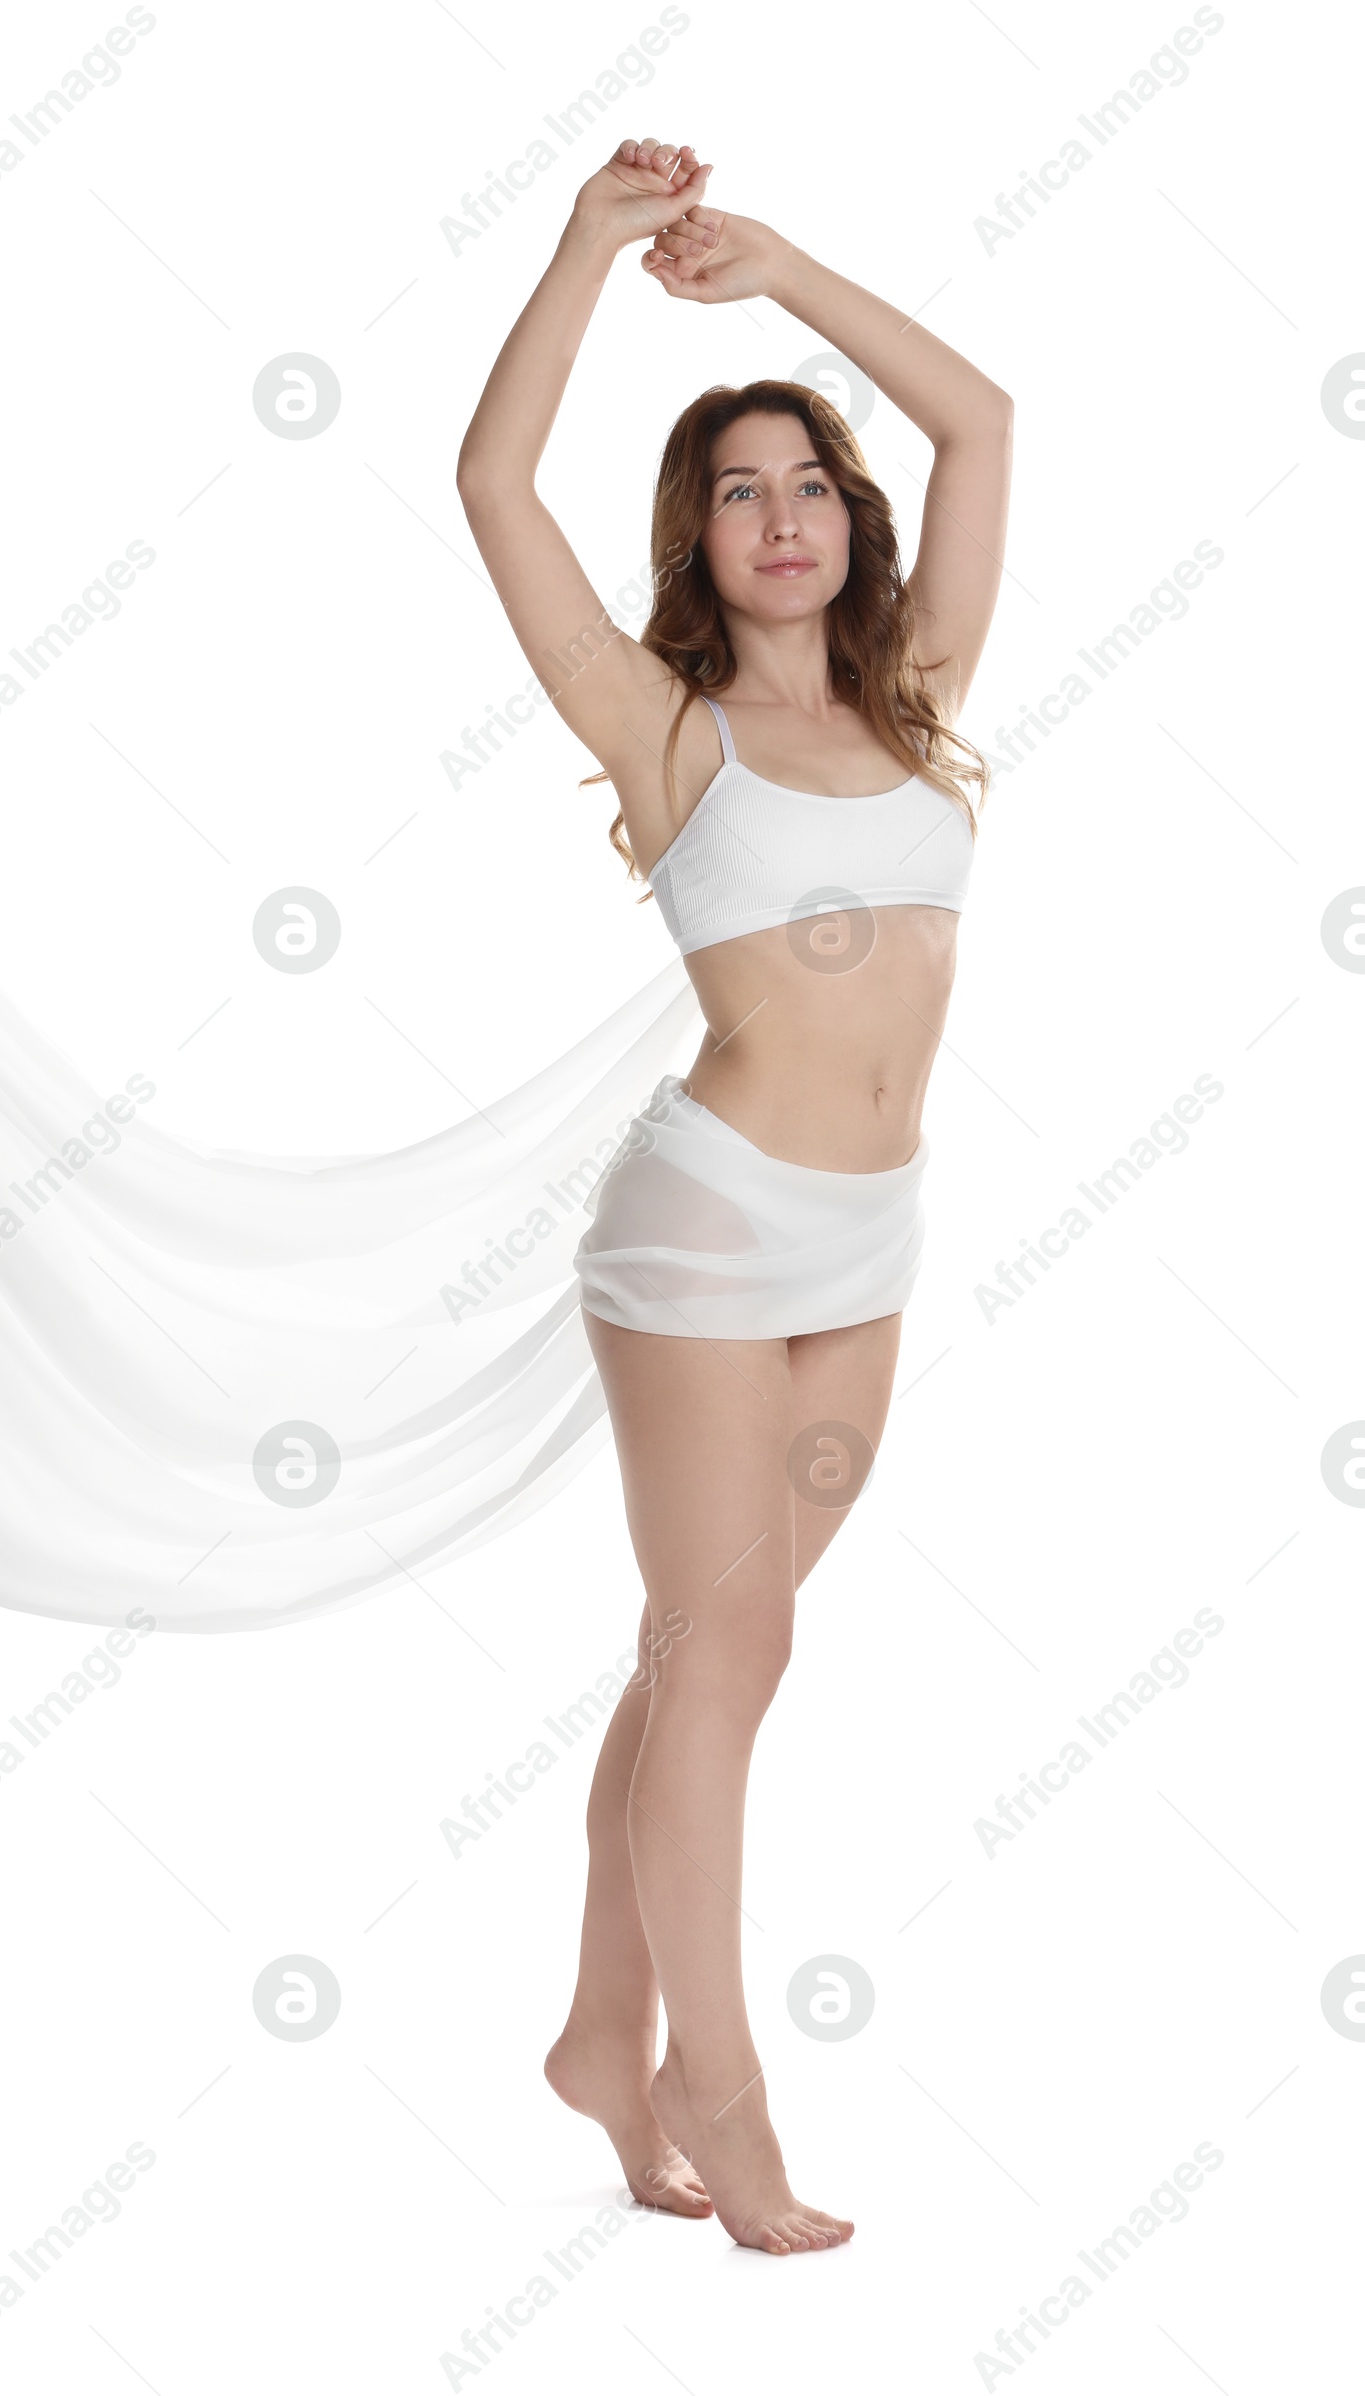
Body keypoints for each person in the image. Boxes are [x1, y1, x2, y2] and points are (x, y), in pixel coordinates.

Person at [457, 135, 1011, 2258]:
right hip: (700, 1235)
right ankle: (717, 2083)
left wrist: (785, 273)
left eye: (804, 484)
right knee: (725, 1650)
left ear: (843, 527)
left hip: (864, 1245)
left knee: (711, 1657)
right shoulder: (657, 728)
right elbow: (492, 491)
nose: (775, 517)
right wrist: (588, 250)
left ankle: (602, 2028)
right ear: (696, 537)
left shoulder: (915, 696)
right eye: (734, 491)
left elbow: (977, 418)